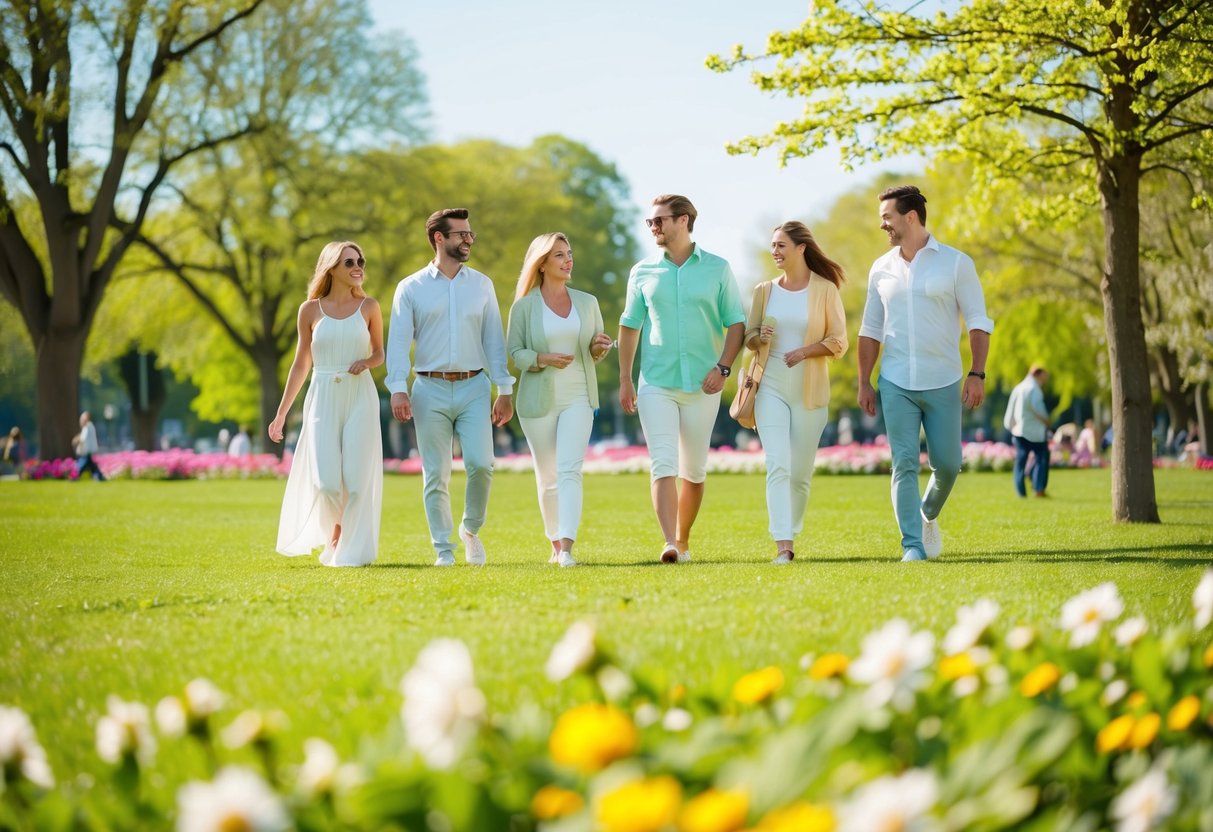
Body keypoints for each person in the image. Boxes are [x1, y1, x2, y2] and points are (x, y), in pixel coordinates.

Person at [857, 185, 994, 562]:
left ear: (911, 217)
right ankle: (912, 546)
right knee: (902, 463)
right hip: (895, 381)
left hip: (944, 380)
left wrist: (976, 373)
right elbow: (870, 329)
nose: (882, 224)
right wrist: (864, 381)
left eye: (887, 217)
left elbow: (978, 321)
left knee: (948, 465)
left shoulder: (955, 263)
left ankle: (927, 513)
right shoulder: (880, 269)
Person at [618, 194, 745, 564]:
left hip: (704, 384)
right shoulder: (642, 271)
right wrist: (626, 378)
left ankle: (684, 539)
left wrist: (723, 368)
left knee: (693, 469)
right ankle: (670, 542)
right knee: (663, 463)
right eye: (651, 222)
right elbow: (630, 326)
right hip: (656, 381)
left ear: (684, 220)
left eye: (660, 221)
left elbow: (736, 322)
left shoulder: (718, 269)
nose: (654, 227)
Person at [386, 208, 514, 567]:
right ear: (439, 238)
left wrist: (504, 389)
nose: (468, 239)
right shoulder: (410, 288)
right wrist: (397, 386)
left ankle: (470, 529)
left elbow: (494, 341)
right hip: (429, 389)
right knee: (435, 474)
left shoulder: (482, 285)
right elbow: (398, 342)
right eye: (461, 234)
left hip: (476, 386)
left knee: (481, 465)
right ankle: (444, 550)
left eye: (470, 234)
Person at [269, 241, 384, 567]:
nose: (357, 266)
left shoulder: (369, 307)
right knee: (327, 482)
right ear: (331, 267)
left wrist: (367, 363)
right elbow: (301, 364)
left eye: (360, 260)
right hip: (322, 395)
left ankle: (350, 549)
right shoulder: (310, 310)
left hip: (360, 395)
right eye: (349, 262)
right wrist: (281, 415)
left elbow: (380, 353)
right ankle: (335, 529)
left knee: (358, 482)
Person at [507, 233, 613, 567]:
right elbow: (514, 353)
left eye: (569, 254)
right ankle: (554, 544)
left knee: (570, 469)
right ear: (542, 264)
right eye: (560, 256)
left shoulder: (587, 302)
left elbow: (594, 353)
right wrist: (543, 358)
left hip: (579, 396)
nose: (568, 261)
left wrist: (599, 347)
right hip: (537, 400)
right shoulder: (524, 307)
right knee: (548, 475)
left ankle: (567, 547)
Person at [745, 221, 848, 564]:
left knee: (800, 474)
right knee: (778, 465)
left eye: (781, 246)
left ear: (801, 248)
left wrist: (804, 351)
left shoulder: (825, 290)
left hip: (810, 391)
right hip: (769, 385)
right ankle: (783, 544)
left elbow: (839, 342)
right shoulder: (764, 290)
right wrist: (760, 337)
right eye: (772, 246)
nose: (774, 251)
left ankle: (792, 526)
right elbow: (748, 338)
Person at [1004, 365, 1052, 497]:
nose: (1045, 378)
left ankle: (1021, 492)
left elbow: (1010, 411)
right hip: (1034, 431)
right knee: (1042, 458)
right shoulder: (1034, 389)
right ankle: (1039, 488)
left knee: (1020, 461)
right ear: (1038, 374)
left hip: (1019, 431)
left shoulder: (1018, 388)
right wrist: (1047, 421)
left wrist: (1010, 425)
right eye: (1044, 375)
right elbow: (1037, 407)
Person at [74, 411, 106, 481]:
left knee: (82, 464)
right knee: (92, 465)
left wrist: (76, 440)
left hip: (87, 450)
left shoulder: (88, 427)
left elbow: (83, 438)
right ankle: (99, 476)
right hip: (88, 450)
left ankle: (75, 476)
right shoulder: (89, 426)